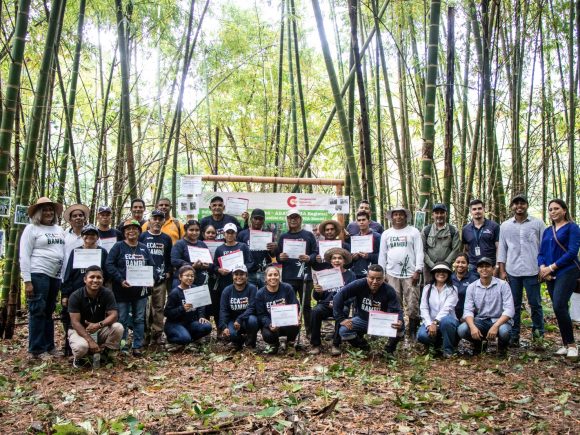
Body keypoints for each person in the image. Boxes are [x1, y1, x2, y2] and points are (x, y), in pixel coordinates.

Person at [20, 197, 65, 360]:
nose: (48, 212)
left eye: (50, 210)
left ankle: (49, 345)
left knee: (49, 311)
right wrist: (27, 280)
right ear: (39, 212)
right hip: (38, 273)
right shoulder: (32, 229)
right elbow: (24, 255)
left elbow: (63, 252)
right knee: (37, 311)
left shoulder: (59, 229)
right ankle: (37, 349)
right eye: (45, 210)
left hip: (55, 275)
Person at [497, 194, 545, 347]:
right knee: (514, 305)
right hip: (513, 271)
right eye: (516, 204)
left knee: (535, 304)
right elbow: (502, 249)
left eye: (522, 203)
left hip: (532, 270)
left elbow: (544, 247)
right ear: (512, 206)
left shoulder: (537, 223)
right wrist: (502, 271)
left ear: (527, 205)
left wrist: (542, 269)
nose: (519, 206)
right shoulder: (505, 226)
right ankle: (513, 336)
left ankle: (538, 337)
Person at [105, 219, 158, 357]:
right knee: (122, 318)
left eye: (134, 228)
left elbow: (152, 266)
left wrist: (152, 278)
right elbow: (109, 265)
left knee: (139, 318)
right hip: (122, 290)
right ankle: (122, 346)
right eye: (128, 229)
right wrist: (120, 279)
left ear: (139, 232)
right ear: (124, 232)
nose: (131, 231)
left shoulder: (143, 248)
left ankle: (137, 346)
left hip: (140, 291)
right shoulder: (118, 247)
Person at [538, 199, 580, 359]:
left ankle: (572, 345)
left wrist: (552, 266)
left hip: (567, 271)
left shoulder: (572, 228)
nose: (553, 211)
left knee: (559, 304)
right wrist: (542, 267)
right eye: (550, 209)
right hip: (549, 272)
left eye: (556, 208)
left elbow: (572, 252)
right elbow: (541, 252)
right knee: (558, 308)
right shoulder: (548, 231)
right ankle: (564, 344)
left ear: (564, 210)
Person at [333, 264, 403, 356]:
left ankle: (389, 350)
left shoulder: (389, 290)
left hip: (382, 321)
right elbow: (338, 296)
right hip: (363, 319)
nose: (375, 282)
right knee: (344, 330)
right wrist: (340, 318)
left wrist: (400, 320)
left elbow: (397, 309)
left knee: (401, 328)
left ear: (383, 278)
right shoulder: (359, 284)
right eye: (372, 278)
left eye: (378, 279)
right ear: (367, 277)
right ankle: (363, 346)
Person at [61, 224, 109, 355]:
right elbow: (68, 274)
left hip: (96, 293)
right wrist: (65, 294)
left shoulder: (102, 252)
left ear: (97, 237)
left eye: (93, 234)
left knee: (94, 319)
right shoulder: (75, 251)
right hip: (76, 291)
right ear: (82, 237)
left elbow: (107, 272)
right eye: (86, 234)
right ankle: (70, 349)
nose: (89, 237)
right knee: (72, 321)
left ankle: (96, 349)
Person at [378, 206, 424, 339]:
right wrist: (382, 273)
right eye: (395, 215)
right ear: (391, 217)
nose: (398, 217)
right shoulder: (386, 234)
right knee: (394, 302)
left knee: (413, 302)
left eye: (401, 215)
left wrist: (418, 270)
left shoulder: (413, 232)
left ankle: (413, 330)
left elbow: (419, 251)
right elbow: (382, 254)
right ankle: (399, 329)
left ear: (405, 216)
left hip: (410, 273)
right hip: (391, 273)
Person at [67, 266, 124, 367]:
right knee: (81, 347)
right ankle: (79, 358)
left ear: (103, 280)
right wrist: (90, 341)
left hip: (99, 329)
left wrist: (98, 325)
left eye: (99, 277)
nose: (95, 280)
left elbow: (114, 315)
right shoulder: (75, 296)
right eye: (92, 277)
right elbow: (75, 323)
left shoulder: (107, 293)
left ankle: (105, 354)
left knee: (118, 327)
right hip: (79, 330)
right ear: (85, 279)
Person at [457, 257, 515, 356]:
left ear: (493, 269)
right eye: (481, 267)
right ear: (477, 270)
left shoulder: (503, 285)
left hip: (499, 320)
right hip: (481, 321)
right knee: (462, 329)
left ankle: (502, 348)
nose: (484, 269)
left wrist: (496, 326)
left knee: (504, 332)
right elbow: (468, 310)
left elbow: (509, 310)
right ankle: (478, 345)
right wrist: (472, 327)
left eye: (487, 266)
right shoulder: (472, 287)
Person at [276, 209, 318, 335]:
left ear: (300, 219)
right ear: (287, 220)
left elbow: (315, 253)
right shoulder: (283, 236)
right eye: (290, 217)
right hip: (289, 276)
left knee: (306, 306)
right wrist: (280, 257)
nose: (293, 220)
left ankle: (309, 332)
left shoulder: (308, 235)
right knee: (289, 305)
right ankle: (290, 333)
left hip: (305, 276)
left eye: (296, 217)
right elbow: (278, 256)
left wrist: (309, 258)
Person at [309, 248, 356, 356]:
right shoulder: (324, 274)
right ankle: (315, 344)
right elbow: (317, 298)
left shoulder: (350, 275)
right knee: (315, 311)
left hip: (341, 306)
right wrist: (318, 291)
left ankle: (336, 344)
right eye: (334, 258)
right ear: (330, 261)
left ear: (344, 261)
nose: (337, 260)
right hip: (325, 305)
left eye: (340, 258)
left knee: (343, 311)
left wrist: (338, 303)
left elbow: (353, 296)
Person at [139, 209, 173, 346]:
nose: (157, 221)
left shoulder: (166, 238)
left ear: (163, 221)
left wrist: (169, 271)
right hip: (144, 278)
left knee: (158, 307)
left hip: (160, 278)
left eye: (160, 219)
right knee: (145, 308)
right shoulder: (142, 237)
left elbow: (169, 257)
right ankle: (144, 334)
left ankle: (157, 335)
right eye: (155, 218)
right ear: (150, 220)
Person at [212, 223, 254, 330]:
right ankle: (223, 328)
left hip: (241, 281)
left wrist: (241, 268)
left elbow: (250, 263)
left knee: (243, 304)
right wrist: (219, 270)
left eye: (232, 232)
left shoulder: (242, 246)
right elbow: (214, 266)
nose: (230, 235)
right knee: (226, 306)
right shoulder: (220, 249)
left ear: (236, 234)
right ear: (224, 234)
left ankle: (243, 325)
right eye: (228, 232)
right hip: (225, 282)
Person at [164, 265, 212, 352]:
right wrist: (182, 308)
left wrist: (201, 316)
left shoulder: (195, 288)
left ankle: (189, 339)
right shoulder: (175, 293)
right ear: (180, 277)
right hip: (175, 324)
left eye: (192, 276)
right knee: (184, 338)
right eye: (187, 275)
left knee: (207, 326)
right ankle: (172, 340)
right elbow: (167, 312)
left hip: (190, 323)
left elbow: (201, 305)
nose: (190, 278)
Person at [255, 266, 301, 354]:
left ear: (279, 277)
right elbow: (261, 315)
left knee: (296, 323)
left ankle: (290, 344)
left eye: (276, 275)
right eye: (270, 275)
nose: (273, 277)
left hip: (287, 322)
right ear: (265, 278)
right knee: (267, 335)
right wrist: (269, 324)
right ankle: (274, 344)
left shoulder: (287, 288)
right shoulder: (260, 293)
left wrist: (296, 317)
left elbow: (295, 305)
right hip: (272, 324)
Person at [417, 262, 459, 357]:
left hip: (447, 322)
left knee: (446, 321)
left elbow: (447, 308)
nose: (441, 274)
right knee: (422, 336)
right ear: (434, 273)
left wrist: (435, 322)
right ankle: (437, 345)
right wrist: (428, 324)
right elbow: (423, 308)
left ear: (448, 274)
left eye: (444, 272)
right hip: (430, 322)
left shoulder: (452, 289)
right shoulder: (427, 288)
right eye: (438, 271)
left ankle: (448, 350)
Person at [219, 264, 259, 351]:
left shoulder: (252, 289)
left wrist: (239, 319)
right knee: (232, 334)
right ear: (232, 276)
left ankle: (250, 344)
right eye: (236, 274)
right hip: (233, 321)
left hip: (247, 319)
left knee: (253, 320)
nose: (239, 277)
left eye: (242, 274)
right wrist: (224, 326)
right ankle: (239, 342)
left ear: (247, 276)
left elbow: (252, 308)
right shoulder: (227, 291)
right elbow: (223, 310)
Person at [421, 203, 461, 283]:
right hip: (429, 268)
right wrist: (432, 265)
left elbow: (455, 249)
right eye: (437, 213)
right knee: (429, 289)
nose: (439, 215)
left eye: (442, 212)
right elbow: (422, 250)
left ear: (446, 214)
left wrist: (445, 264)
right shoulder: (426, 230)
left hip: (447, 268)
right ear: (433, 215)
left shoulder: (453, 230)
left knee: (447, 288)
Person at [237, 208, 277, 287]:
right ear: (251, 219)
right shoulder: (242, 234)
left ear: (264, 220)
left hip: (264, 272)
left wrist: (273, 250)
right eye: (255, 218)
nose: (258, 221)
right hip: (249, 273)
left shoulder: (268, 234)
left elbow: (272, 255)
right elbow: (238, 253)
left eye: (260, 219)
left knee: (266, 297)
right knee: (250, 297)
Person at [462, 199, 500, 272]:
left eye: (479, 208)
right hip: (473, 266)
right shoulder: (465, 229)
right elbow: (466, 249)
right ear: (471, 212)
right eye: (474, 209)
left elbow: (498, 248)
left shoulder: (494, 226)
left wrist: (497, 265)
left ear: (484, 209)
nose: (477, 211)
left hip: (489, 265)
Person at [171, 219, 211, 288]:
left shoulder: (202, 244)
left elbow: (209, 261)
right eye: (191, 230)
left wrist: (207, 265)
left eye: (197, 230)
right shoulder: (180, 244)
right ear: (186, 231)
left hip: (200, 282)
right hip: (183, 282)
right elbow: (174, 260)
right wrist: (191, 266)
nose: (194, 232)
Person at [349, 211, 381, 279]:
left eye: (363, 220)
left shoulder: (377, 237)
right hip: (356, 274)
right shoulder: (354, 238)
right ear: (357, 222)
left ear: (369, 221)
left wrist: (369, 256)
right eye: (359, 220)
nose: (361, 222)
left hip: (372, 274)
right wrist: (353, 258)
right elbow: (349, 259)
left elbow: (382, 256)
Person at [62, 203, 90, 280]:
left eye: (80, 215)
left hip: (87, 275)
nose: (78, 218)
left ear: (84, 218)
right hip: (68, 274)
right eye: (74, 216)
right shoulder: (64, 235)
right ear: (70, 220)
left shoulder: (92, 235)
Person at [451, 253, 478, 320]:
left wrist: (467, 316)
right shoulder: (449, 278)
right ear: (454, 264)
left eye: (463, 262)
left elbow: (477, 301)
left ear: (468, 265)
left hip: (469, 315)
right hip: (452, 315)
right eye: (458, 262)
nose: (460, 265)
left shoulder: (474, 279)